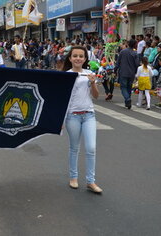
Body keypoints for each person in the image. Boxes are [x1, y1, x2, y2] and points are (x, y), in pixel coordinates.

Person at [62, 46, 102, 194]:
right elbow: (62, 99)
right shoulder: (65, 75)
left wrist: (92, 82)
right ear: (70, 58)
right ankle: (73, 177)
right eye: (75, 56)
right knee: (74, 148)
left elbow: (96, 96)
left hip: (89, 115)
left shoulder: (89, 74)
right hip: (72, 116)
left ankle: (91, 181)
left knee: (91, 148)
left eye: (81, 56)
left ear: (85, 59)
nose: (78, 58)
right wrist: (60, 120)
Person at [115, 39, 139, 109]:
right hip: (132, 73)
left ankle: (127, 99)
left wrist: (115, 70)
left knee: (123, 87)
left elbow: (118, 62)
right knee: (129, 87)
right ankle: (127, 101)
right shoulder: (135, 53)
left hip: (123, 72)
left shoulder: (123, 52)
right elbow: (137, 64)